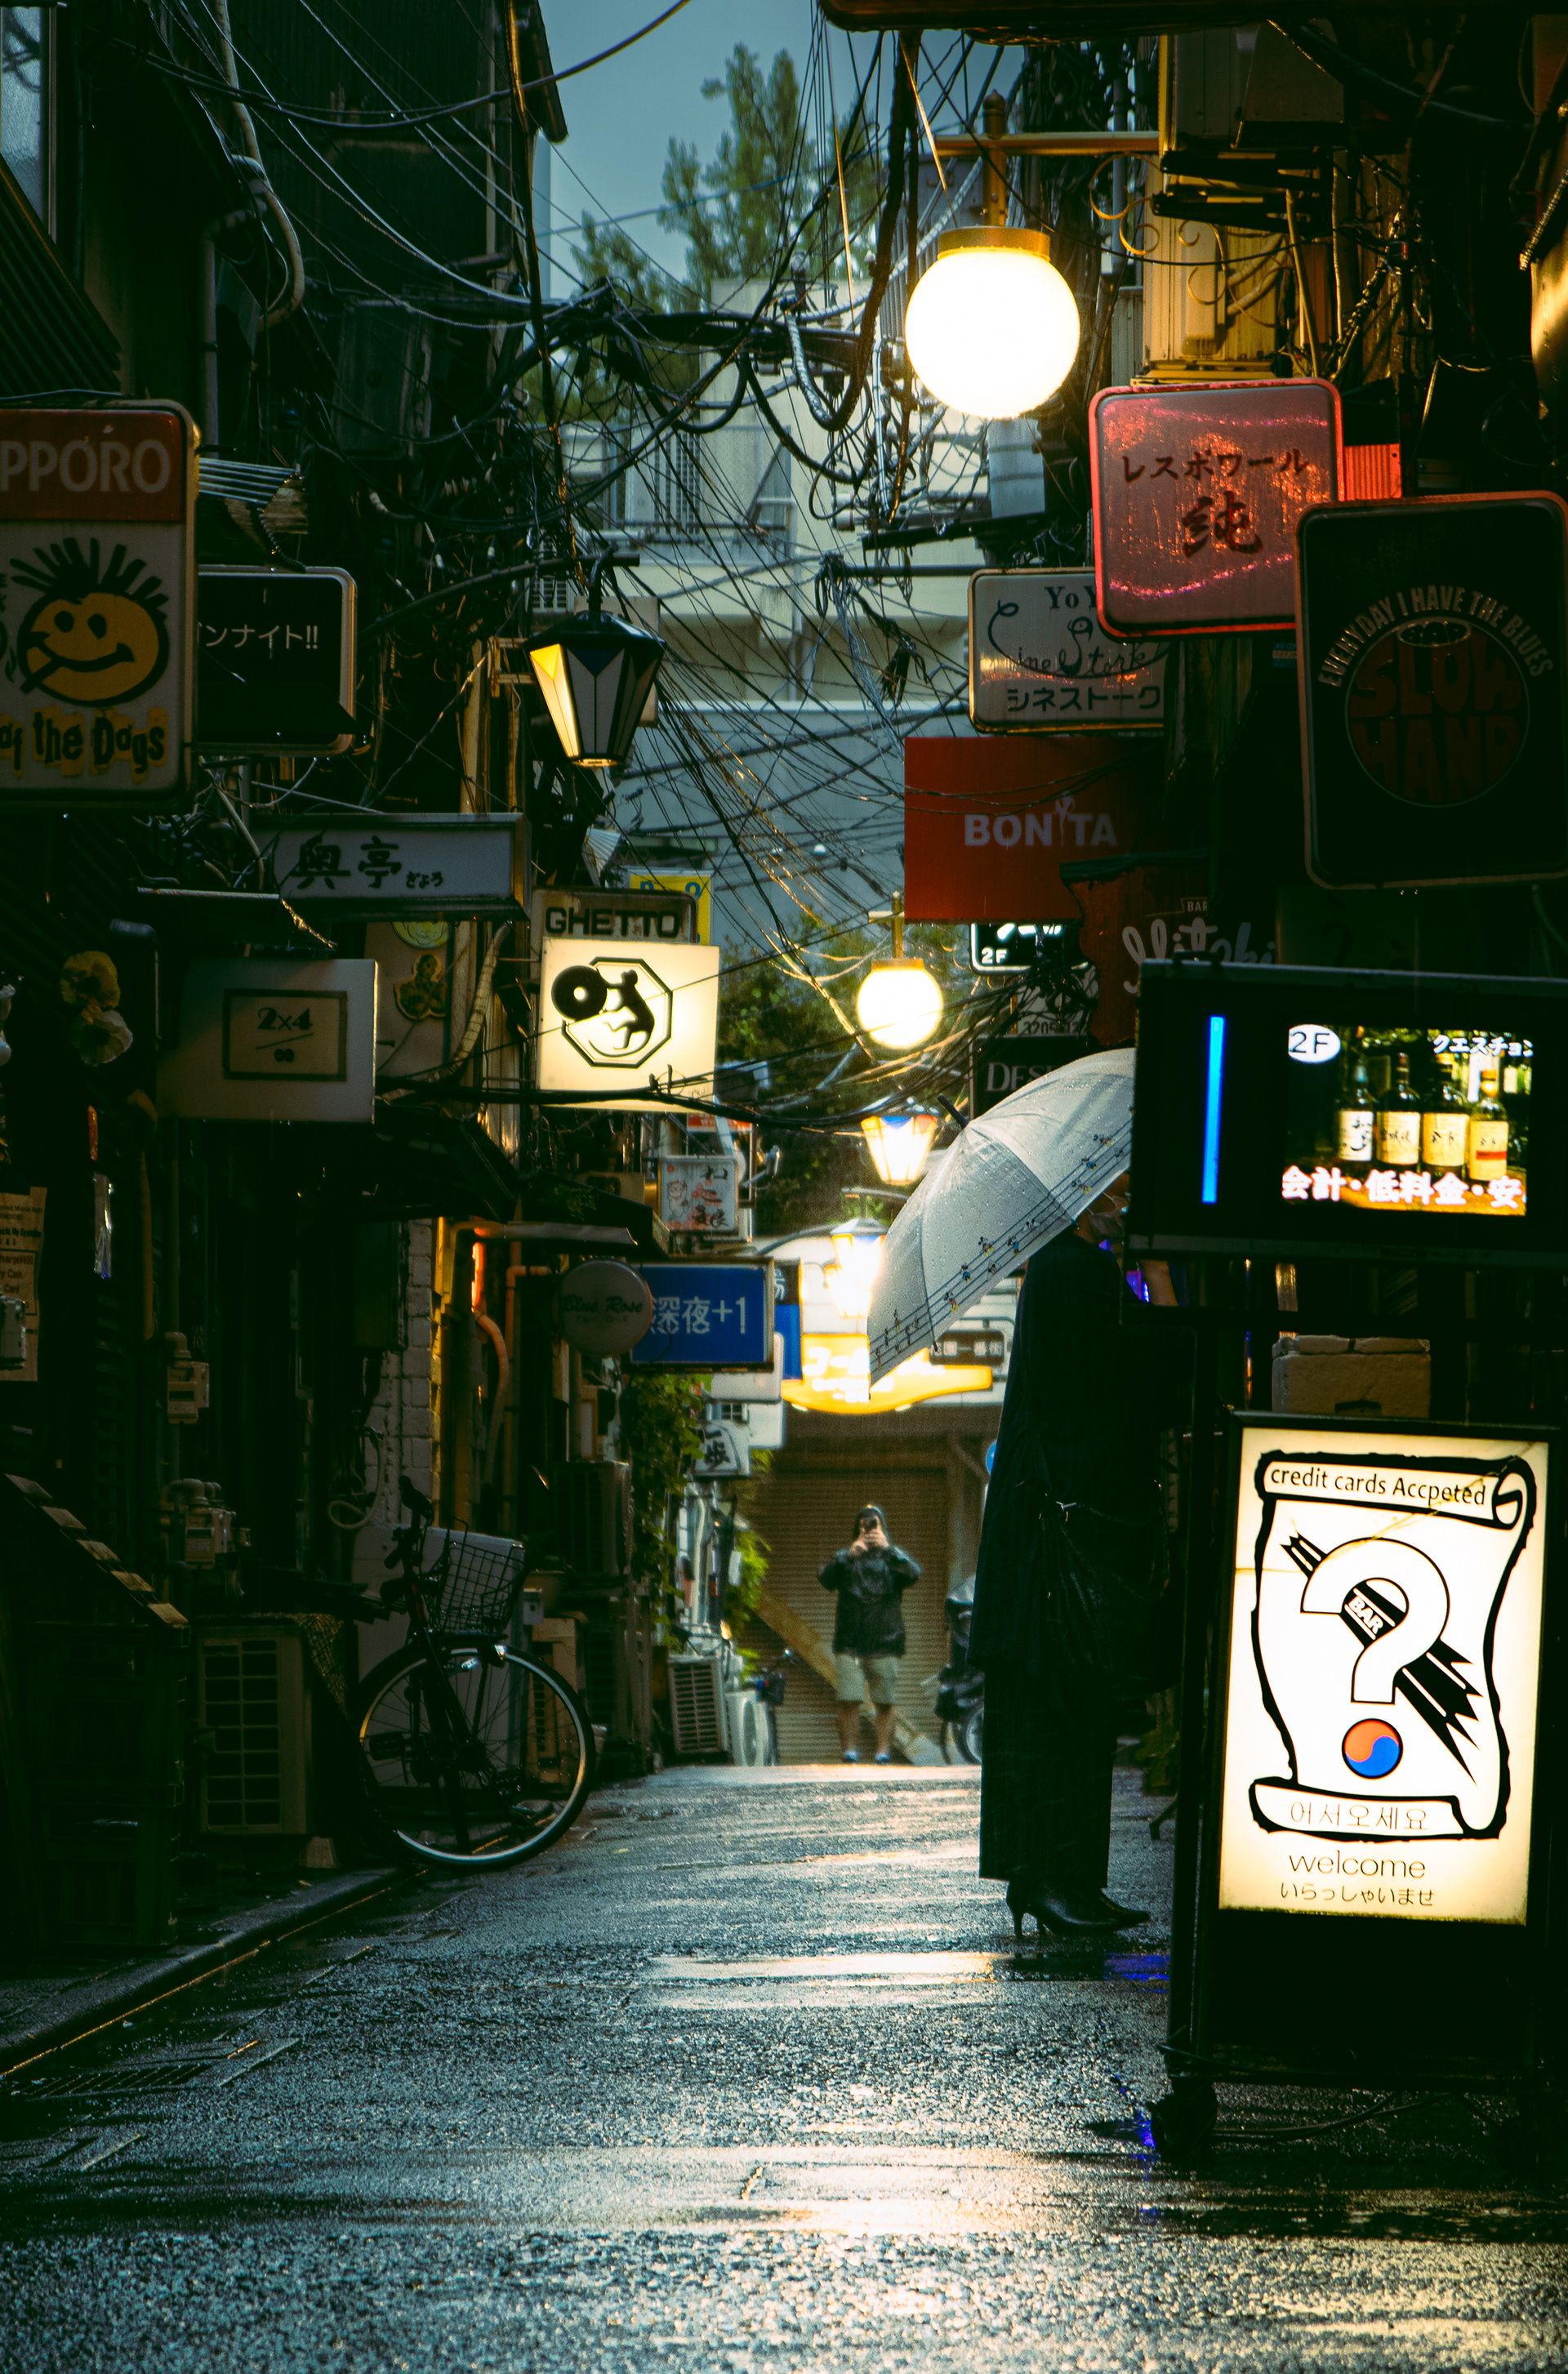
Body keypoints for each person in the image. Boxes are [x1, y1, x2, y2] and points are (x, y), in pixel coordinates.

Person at [969, 1174, 1188, 1938]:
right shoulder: (1078, 1272)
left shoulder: (1056, 1269)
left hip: (1038, 1537)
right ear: (1084, 1194)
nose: (1124, 1201)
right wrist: (1156, 1270)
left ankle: (1057, 1880)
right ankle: (1056, 1879)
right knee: (1066, 1711)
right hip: (1057, 1545)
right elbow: (1166, 1369)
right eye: (1115, 1189)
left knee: (1056, 1711)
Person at [819, 1505, 920, 1763]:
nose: (869, 1530)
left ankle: (883, 1753)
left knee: (884, 1702)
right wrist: (847, 1557)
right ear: (857, 1528)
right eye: (864, 1525)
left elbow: (914, 1575)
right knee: (849, 1700)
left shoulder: (893, 1558)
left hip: (886, 1642)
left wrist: (889, 1549)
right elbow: (826, 1580)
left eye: (874, 1524)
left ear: (882, 1527)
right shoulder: (846, 1557)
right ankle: (849, 1753)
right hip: (849, 1643)